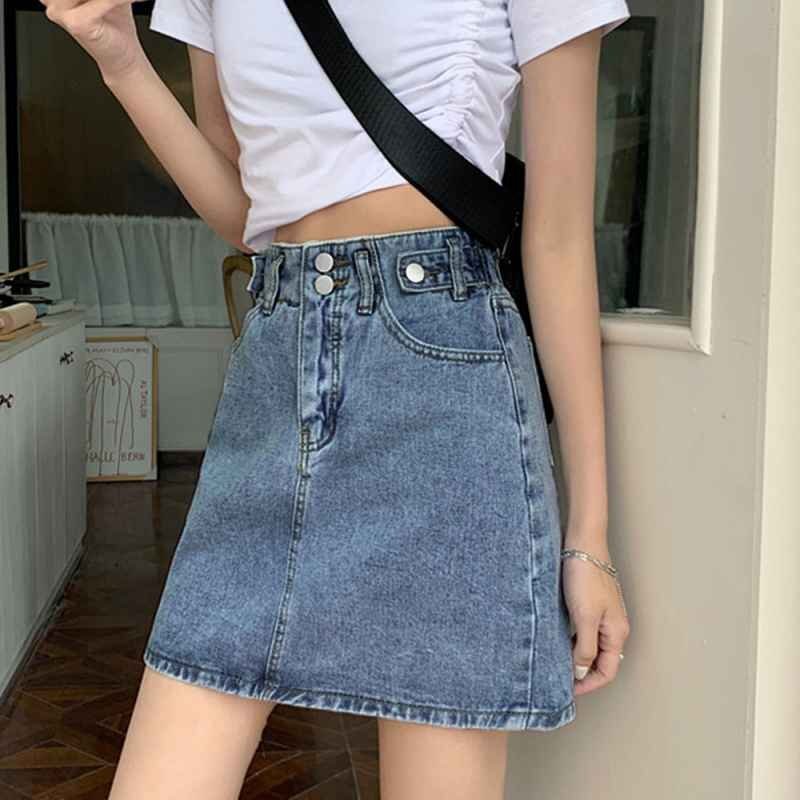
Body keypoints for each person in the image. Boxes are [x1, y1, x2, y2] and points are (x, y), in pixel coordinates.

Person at [43, 1, 632, 797]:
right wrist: (119, 57)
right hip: (278, 362)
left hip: (443, 371)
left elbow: (558, 242)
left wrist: (587, 537)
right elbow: (248, 213)